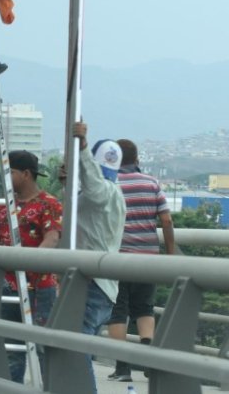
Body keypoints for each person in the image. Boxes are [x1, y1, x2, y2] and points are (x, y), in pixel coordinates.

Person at [0, 150, 62, 383]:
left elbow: (52, 238)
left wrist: (31, 262)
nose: (4, 177)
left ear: (26, 174)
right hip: (8, 287)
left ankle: (48, 388)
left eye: (9, 172)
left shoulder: (48, 204)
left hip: (39, 287)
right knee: (10, 347)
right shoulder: (2, 206)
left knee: (42, 346)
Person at [60, 121, 126, 394]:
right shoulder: (113, 194)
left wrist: (83, 148)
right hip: (101, 283)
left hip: (93, 282)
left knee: (76, 349)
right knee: (77, 347)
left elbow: (94, 190)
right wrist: (68, 182)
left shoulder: (105, 192)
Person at [106, 138, 176, 382]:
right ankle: (147, 361)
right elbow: (166, 221)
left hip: (119, 257)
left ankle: (122, 368)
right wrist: (170, 252)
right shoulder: (152, 183)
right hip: (148, 258)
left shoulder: (110, 184)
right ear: (137, 159)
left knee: (118, 311)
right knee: (144, 308)